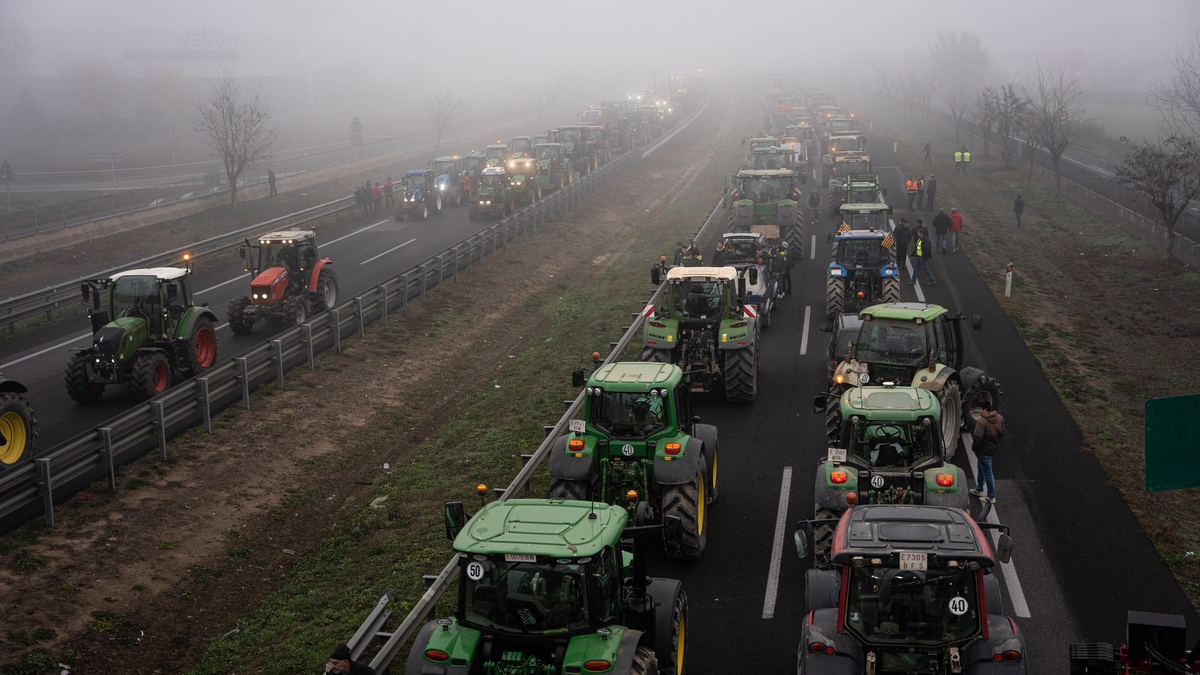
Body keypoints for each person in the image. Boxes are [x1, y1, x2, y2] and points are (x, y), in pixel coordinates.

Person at [968, 401, 1004, 504]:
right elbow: (1002, 432)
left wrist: (974, 448)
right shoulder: (999, 418)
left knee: (987, 472)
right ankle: (979, 489)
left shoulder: (982, 422)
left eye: (979, 409)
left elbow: (977, 437)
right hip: (992, 448)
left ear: (985, 409)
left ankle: (991, 496)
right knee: (981, 467)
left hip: (982, 450)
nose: (978, 411)